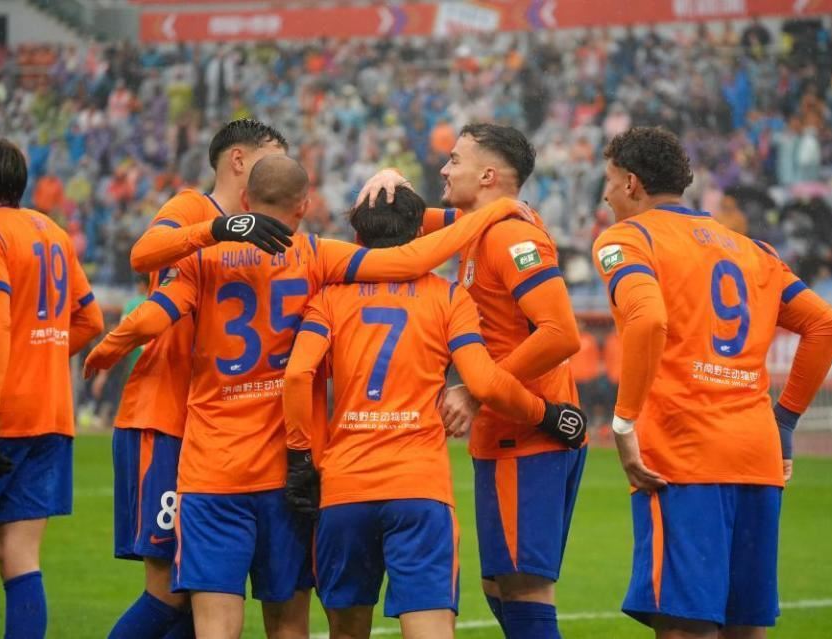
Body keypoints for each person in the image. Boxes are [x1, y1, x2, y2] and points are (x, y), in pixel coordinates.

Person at [83, 155, 535, 639]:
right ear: (303, 205)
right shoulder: (318, 259)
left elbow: (154, 315)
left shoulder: (209, 262)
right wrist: (490, 212)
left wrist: (108, 348)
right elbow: (408, 263)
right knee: (289, 624)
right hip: (298, 475)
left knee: (216, 626)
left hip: (216, 470)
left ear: (245, 200)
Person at [281, 187, 586, 639]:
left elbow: (297, 375)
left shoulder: (328, 299)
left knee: (345, 631)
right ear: (418, 232)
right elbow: (485, 383)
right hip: (419, 487)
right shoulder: (448, 297)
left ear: (358, 236)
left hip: (345, 486)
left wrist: (301, 456)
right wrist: (546, 414)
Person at [591, 126, 832, 639]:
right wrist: (784, 422)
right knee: (744, 627)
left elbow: (647, 319)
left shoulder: (629, 238)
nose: (605, 195)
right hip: (756, 455)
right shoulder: (755, 252)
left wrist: (623, 422)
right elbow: (827, 326)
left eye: (609, 182)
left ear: (632, 183)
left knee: (685, 626)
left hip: (683, 455)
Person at [359, 123, 585, 639]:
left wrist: (480, 390)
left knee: (524, 588)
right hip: (505, 431)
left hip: (530, 432)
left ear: (487, 176)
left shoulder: (512, 235)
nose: (444, 169)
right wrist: (388, 176)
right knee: (499, 585)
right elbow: (399, 218)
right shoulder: (475, 224)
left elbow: (561, 333)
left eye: (455, 160)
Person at [107, 118, 294, 639]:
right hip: (163, 417)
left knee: (201, 587)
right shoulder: (195, 207)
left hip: (207, 431)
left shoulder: (264, 232)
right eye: (273, 158)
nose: (280, 171)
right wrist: (218, 229)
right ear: (238, 160)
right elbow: (143, 253)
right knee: (170, 590)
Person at [0, 137, 104, 638]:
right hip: (51, 416)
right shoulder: (53, 233)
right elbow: (90, 320)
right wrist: (40, 356)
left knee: (16, 551)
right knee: (18, 553)